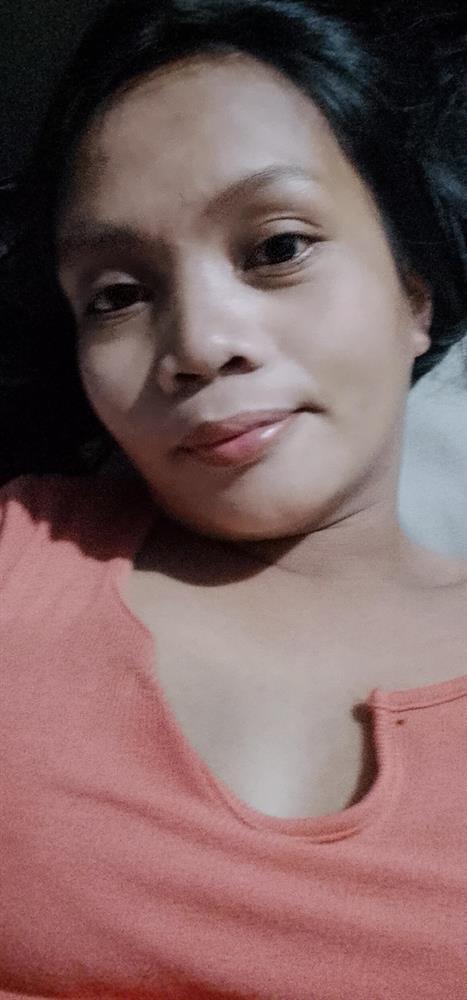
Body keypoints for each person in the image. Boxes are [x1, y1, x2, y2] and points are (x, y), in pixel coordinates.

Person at [1, 1, 466, 997]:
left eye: (276, 247)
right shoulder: (17, 552)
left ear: (413, 292)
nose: (201, 344)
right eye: (117, 295)